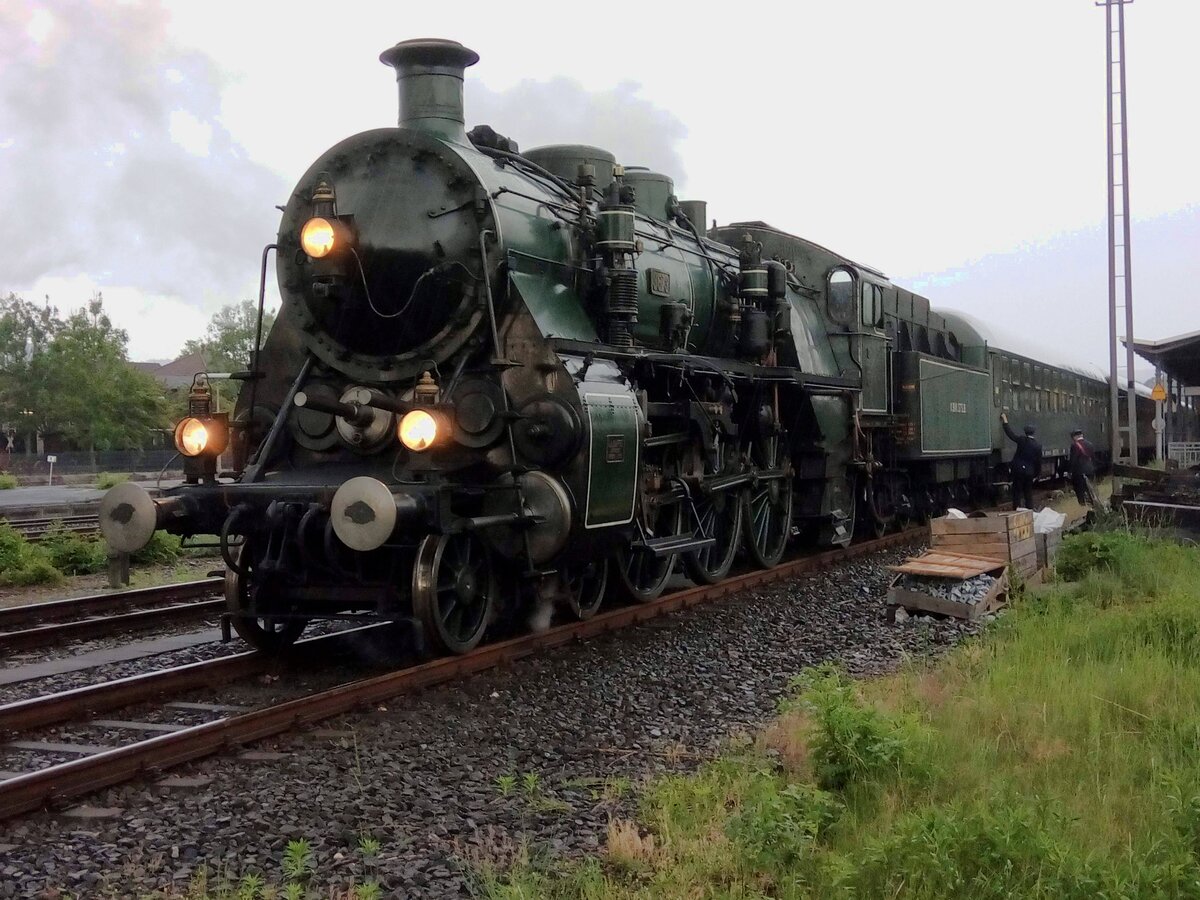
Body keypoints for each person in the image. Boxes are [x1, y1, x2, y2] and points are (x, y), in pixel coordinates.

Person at [1001, 412, 1040, 510]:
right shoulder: (1037, 446)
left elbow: (1010, 434)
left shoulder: (1022, 440)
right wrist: (1036, 475)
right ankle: (1030, 510)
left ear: (1025, 432)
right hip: (1029, 472)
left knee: (1017, 492)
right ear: (1033, 433)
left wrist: (1005, 421)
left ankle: (1016, 509)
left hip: (1018, 471)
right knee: (1028, 493)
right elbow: (1038, 462)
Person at [1069, 428, 1098, 506]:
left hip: (1079, 471)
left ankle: (1082, 504)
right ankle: (1092, 502)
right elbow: (1093, 458)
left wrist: (1070, 471)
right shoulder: (1090, 444)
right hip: (1090, 469)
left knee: (1079, 489)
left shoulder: (1074, 445)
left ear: (1075, 437)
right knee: (1090, 487)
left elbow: (1073, 460)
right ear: (1082, 435)